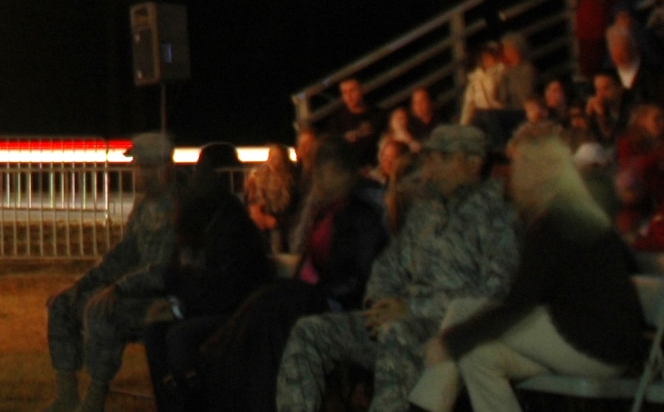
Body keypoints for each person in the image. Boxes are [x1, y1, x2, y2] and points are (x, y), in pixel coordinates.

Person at [275, 124, 521, 412]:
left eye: (442, 158)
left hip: (449, 331)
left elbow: (492, 293)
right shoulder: (426, 214)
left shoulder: (498, 219)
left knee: (399, 335)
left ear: (473, 163)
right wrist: (380, 301)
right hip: (399, 321)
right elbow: (388, 266)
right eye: (430, 157)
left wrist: (412, 308)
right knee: (309, 331)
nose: (431, 167)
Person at [407, 130, 647, 412]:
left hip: (595, 345)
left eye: (519, 163)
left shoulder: (557, 219)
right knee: (479, 356)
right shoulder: (571, 209)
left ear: (541, 170)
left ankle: (422, 409)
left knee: (463, 314)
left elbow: (520, 303)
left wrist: (450, 342)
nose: (512, 173)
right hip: (594, 339)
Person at [197, 138, 390, 412]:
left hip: (335, 300)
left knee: (269, 308)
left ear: (337, 171)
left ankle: (218, 367)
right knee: (265, 308)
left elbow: (359, 277)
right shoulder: (333, 208)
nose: (316, 182)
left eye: (320, 173)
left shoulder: (361, 213)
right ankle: (224, 369)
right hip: (314, 294)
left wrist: (315, 291)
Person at [42, 132, 178, 412]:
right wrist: (82, 283)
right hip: (135, 292)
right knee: (63, 305)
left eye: (140, 165)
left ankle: (95, 396)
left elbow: (163, 269)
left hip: (163, 300)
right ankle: (66, 395)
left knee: (100, 310)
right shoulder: (144, 207)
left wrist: (118, 289)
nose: (134, 172)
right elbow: (123, 254)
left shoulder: (178, 208)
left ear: (160, 169)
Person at [144, 144, 270, 412]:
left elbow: (228, 285)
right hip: (205, 303)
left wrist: (182, 306)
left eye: (201, 173)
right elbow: (177, 270)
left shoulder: (231, 222)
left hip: (236, 311)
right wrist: (170, 299)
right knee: (155, 330)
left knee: (179, 337)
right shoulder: (197, 218)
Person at [321, 78, 389, 166]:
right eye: (345, 92)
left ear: (361, 90)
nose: (349, 97)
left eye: (352, 91)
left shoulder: (378, 115)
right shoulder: (336, 122)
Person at [245, 145, 300, 251]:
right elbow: (251, 200)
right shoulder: (257, 177)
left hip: (278, 224)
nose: (273, 161)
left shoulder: (291, 181)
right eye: (271, 156)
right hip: (261, 222)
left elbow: (290, 207)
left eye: (277, 157)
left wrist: (275, 220)